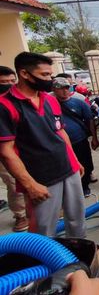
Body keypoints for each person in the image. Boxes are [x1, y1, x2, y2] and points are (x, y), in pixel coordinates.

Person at [0, 52, 85, 237]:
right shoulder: (5, 105)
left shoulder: (50, 100)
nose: (50, 79)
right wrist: (30, 185)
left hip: (67, 169)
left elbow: (60, 131)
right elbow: (6, 152)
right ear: (25, 74)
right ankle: (42, 264)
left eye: (50, 74)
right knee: (43, 229)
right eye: (44, 75)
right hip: (41, 178)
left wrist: (74, 160)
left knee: (77, 220)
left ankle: (78, 259)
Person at [52, 78, 99, 197]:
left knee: (85, 164)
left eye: (66, 88)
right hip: (59, 143)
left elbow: (90, 120)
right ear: (54, 89)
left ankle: (84, 186)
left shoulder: (79, 103)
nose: (64, 91)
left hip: (79, 140)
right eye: (60, 88)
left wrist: (94, 138)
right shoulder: (49, 104)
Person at [0, 66, 28, 232]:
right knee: (14, 183)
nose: (9, 85)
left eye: (12, 81)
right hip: (6, 153)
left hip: (26, 148)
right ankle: (20, 215)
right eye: (4, 82)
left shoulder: (20, 100)